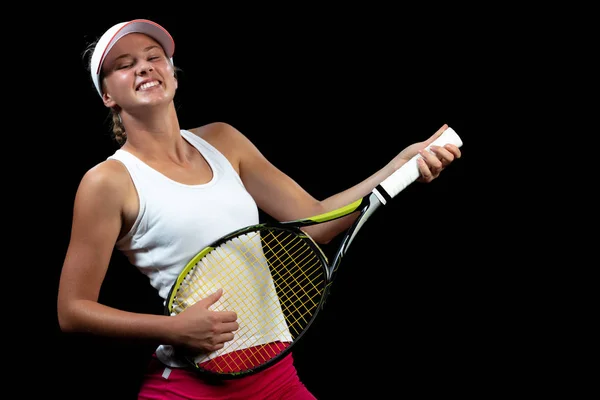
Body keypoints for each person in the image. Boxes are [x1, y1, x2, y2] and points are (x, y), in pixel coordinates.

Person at [57, 18, 462, 400]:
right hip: (191, 387)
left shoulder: (223, 141)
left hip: (277, 376)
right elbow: (73, 312)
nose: (144, 68)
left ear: (173, 74)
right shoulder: (107, 182)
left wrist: (397, 167)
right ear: (107, 95)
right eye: (125, 65)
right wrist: (173, 329)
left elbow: (314, 221)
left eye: (153, 57)